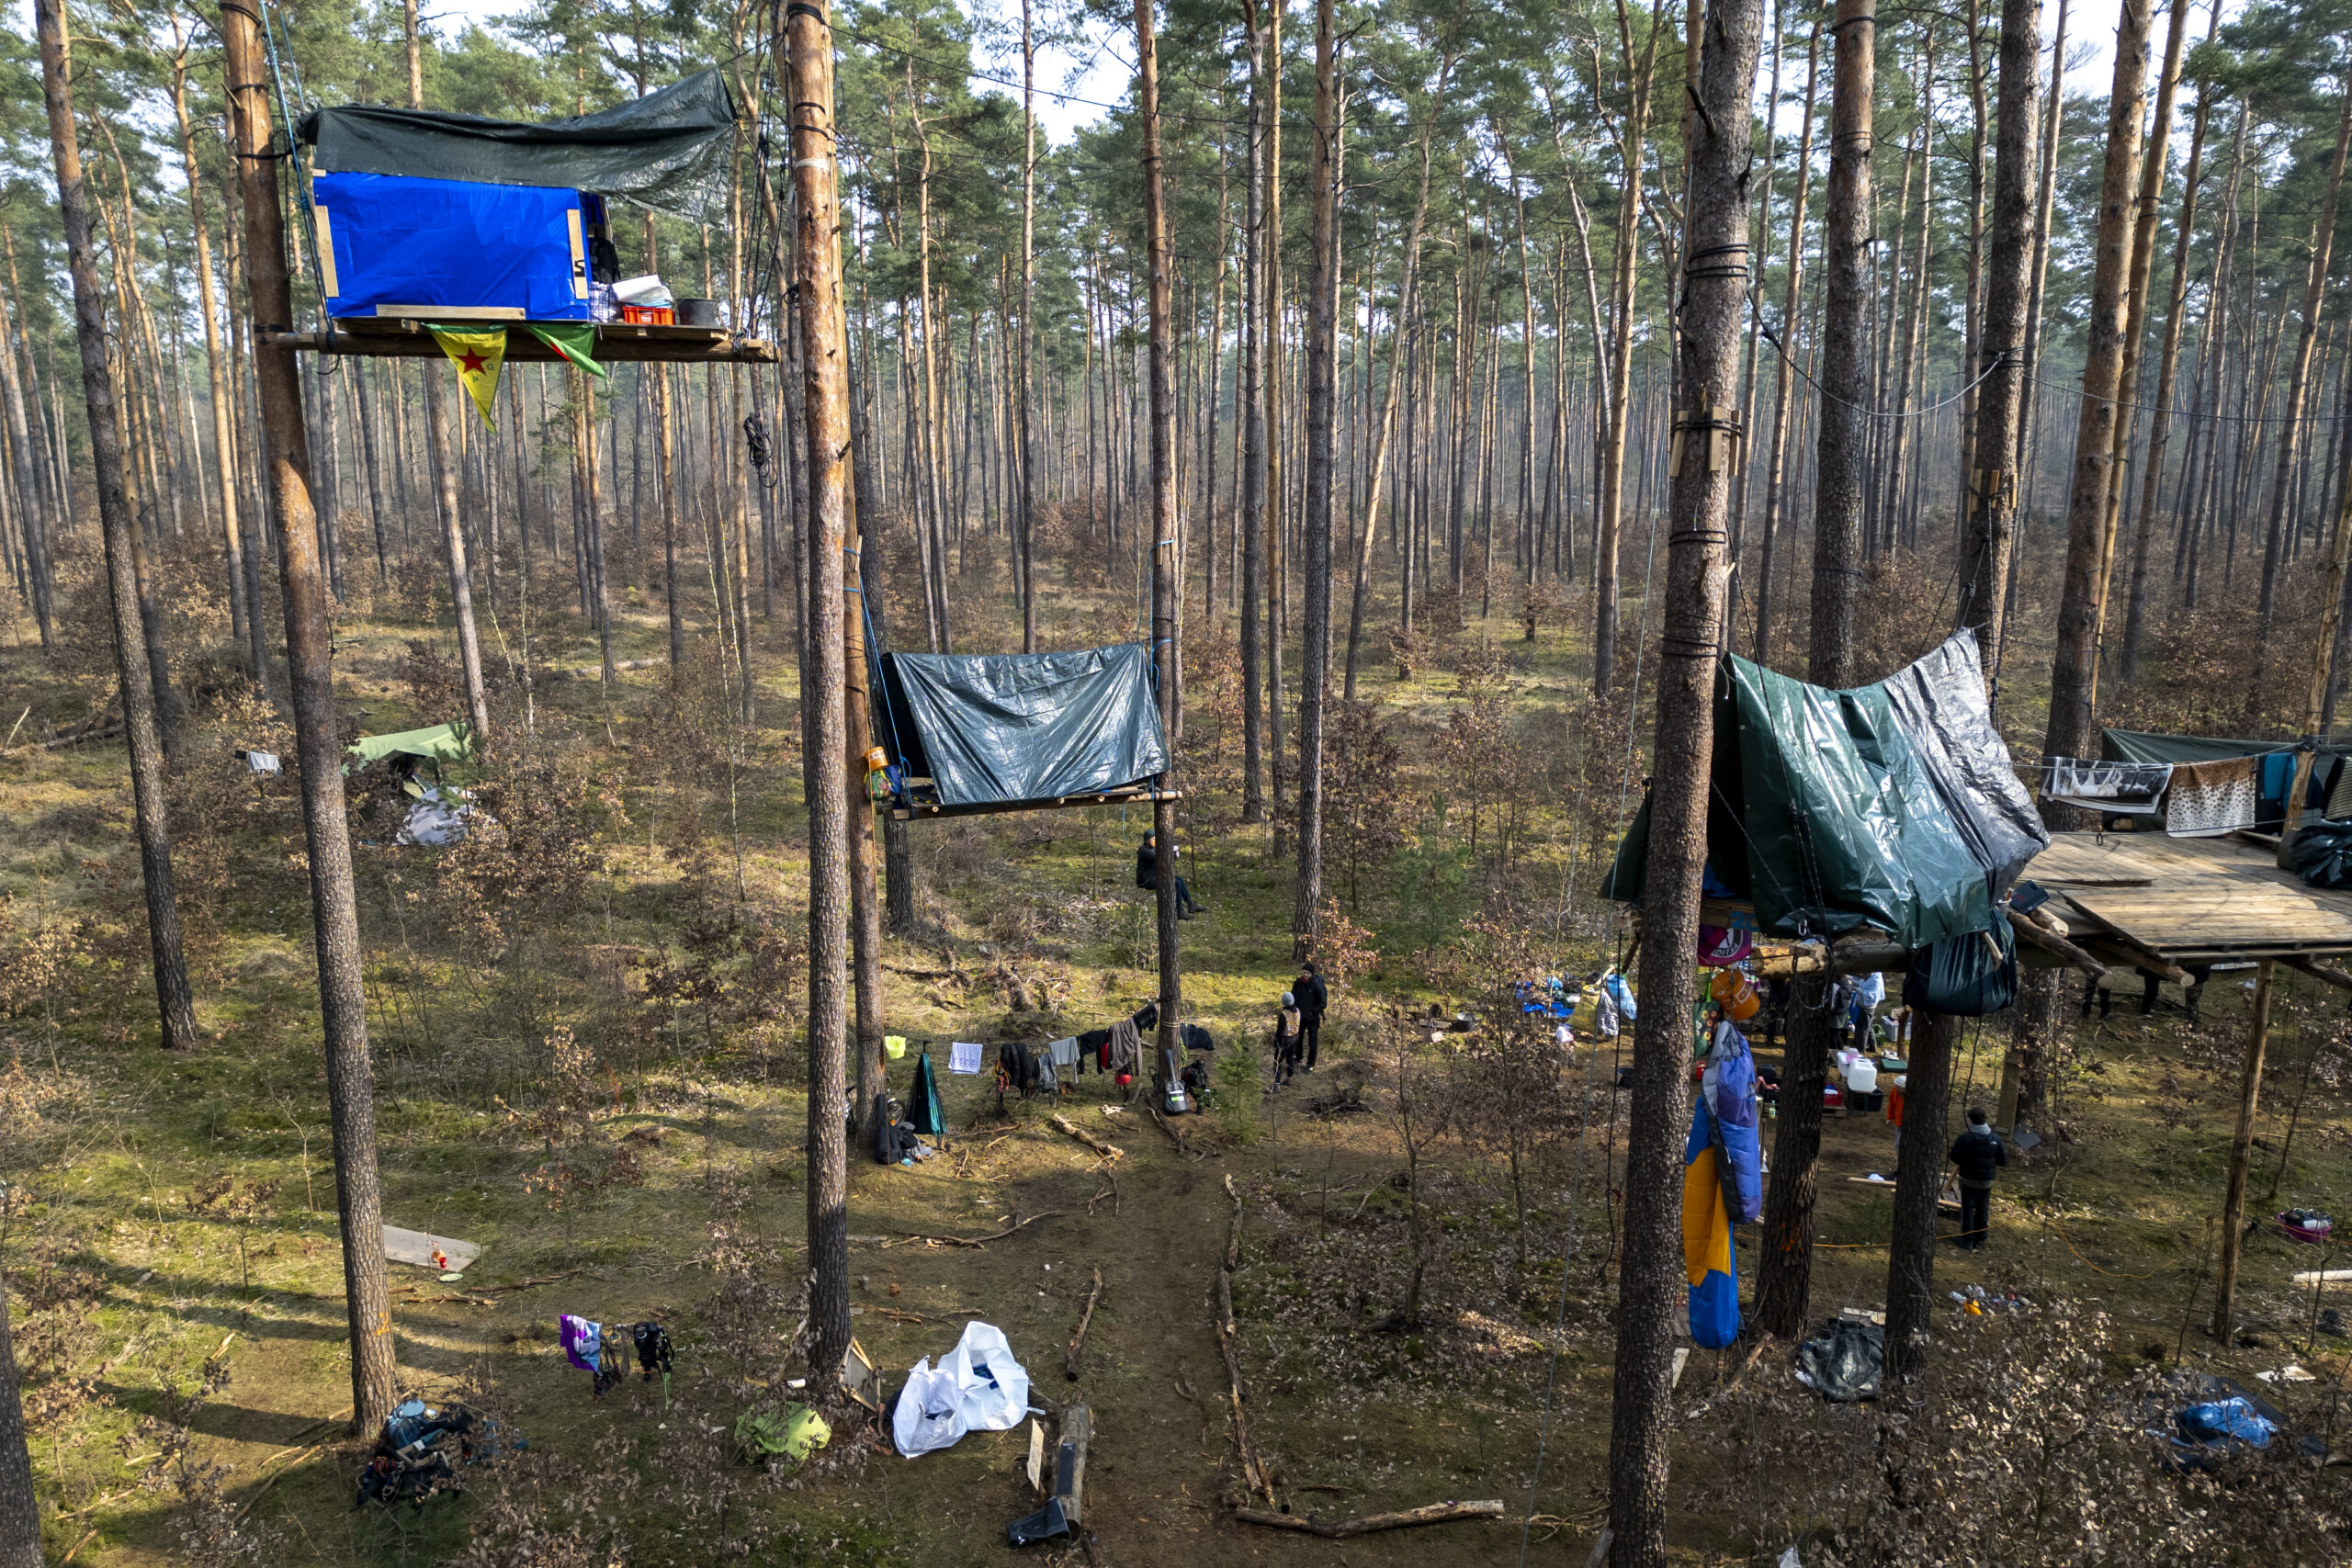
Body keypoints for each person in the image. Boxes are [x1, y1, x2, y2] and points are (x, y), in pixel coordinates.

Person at [1947, 1107, 2007, 1250]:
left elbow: (1954, 1157)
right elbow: (2003, 1161)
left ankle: (1967, 1238)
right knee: (1983, 1208)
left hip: (1968, 1180)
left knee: (1967, 1208)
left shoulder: (1965, 1139)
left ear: (1970, 1121)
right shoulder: (1995, 1139)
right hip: (1986, 1181)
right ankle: (1980, 1238)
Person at [1134, 831, 1203, 919]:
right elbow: (1155, 856)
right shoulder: (1143, 850)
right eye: (1153, 839)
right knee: (1176, 883)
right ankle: (1179, 911)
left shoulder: (1154, 849)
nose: (1156, 841)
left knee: (1179, 880)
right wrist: (1167, 850)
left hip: (1155, 877)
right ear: (1148, 841)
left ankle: (1190, 904)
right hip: (1147, 880)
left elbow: (1163, 859)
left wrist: (1173, 854)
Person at [1292, 958, 1329, 1072]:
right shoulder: (1298, 983)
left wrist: (1312, 1012)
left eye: (1308, 973)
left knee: (1312, 1042)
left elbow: (1323, 1003)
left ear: (1312, 974)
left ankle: (1310, 1064)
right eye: (1304, 973)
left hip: (1312, 1018)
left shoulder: (1316, 985)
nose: (1305, 975)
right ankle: (1298, 1058)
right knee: (1298, 1038)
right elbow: (1293, 998)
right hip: (1299, 1017)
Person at [1272, 992, 1304, 1088]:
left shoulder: (1283, 1015)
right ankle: (1289, 1079)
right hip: (1295, 1038)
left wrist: (1276, 1042)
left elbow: (1280, 1030)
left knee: (1278, 1061)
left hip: (1284, 1041)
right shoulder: (1297, 1010)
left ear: (1283, 1002)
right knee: (1290, 1059)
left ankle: (1276, 1085)